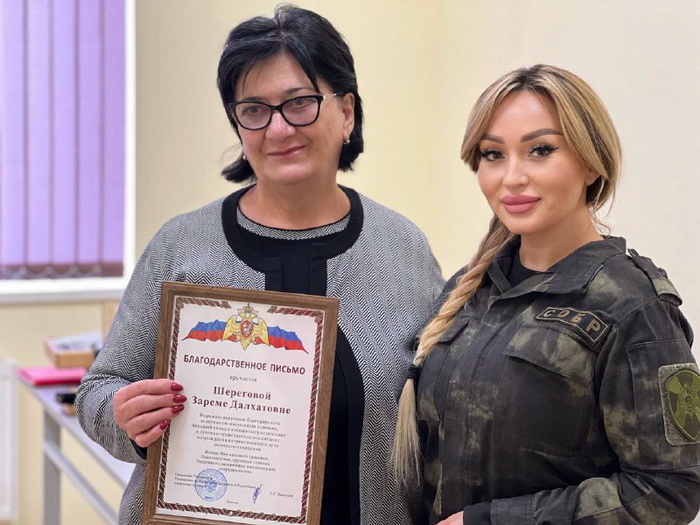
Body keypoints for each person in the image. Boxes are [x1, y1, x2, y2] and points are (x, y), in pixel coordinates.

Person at [76, 6, 443, 525]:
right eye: (254, 110)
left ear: (346, 112)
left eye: (300, 103)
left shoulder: (403, 249)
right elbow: (97, 391)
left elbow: (434, 409)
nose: (279, 128)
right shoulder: (181, 246)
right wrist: (125, 417)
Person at [394, 64, 700, 524]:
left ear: (592, 163)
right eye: (493, 154)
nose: (512, 177)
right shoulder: (468, 290)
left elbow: (671, 488)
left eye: (540, 150)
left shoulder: (634, 306)